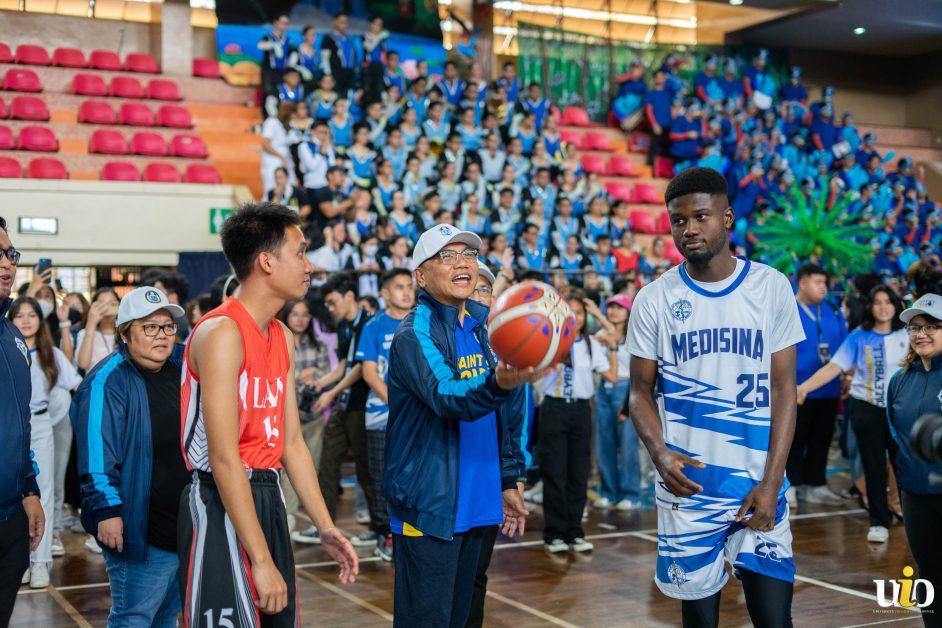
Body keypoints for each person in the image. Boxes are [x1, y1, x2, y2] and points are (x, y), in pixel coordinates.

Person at [628, 167, 804, 628]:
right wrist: (662, 457)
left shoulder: (770, 287)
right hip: (690, 490)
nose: (688, 229)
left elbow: (786, 390)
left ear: (726, 218)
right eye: (678, 220)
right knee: (700, 621)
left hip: (757, 486)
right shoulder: (654, 299)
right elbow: (639, 393)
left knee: (774, 620)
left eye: (700, 216)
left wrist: (773, 480)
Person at [179, 203, 358, 625]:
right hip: (219, 498)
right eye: (299, 251)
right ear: (265, 261)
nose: (308, 264)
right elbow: (223, 459)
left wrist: (325, 525)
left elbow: (291, 443)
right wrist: (259, 559)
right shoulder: (220, 333)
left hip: (267, 493)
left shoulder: (282, 335)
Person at [383, 224, 534, 626]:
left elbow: (508, 414)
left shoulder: (489, 327)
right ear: (420, 274)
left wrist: (509, 479)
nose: (463, 263)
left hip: (481, 499)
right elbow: (448, 395)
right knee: (427, 620)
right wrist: (499, 381)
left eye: (469, 254)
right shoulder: (414, 334)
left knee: (466, 619)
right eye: (447, 256)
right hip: (430, 504)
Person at [71, 287, 186, 626]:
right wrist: (107, 510)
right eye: (149, 327)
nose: (162, 336)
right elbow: (95, 455)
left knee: (167, 616)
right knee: (134, 617)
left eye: (167, 327)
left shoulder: (180, 368)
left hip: (179, 526)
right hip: (138, 527)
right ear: (124, 333)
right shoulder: (106, 381)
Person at [797, 285, 909, 543]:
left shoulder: (908, 335)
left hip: (899, 410)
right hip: (866, 407)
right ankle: (878, 521)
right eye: (877, 302)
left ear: (896, 306)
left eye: (888, 302)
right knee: (872, 466)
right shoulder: (858, 336)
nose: (883, 307)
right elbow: (835, 367)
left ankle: (907, 514)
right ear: (869, 306)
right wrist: (803, 388)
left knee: (903, 466)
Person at [292, 271, 373, 545]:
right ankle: (323, 525)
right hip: (342, 403)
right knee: (327, 462)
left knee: (365, 468)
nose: (330, 307)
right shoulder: (343, 326)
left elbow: (362, 368)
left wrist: (331, 393)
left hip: (361, 405)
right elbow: (341, 366)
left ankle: (380, 528)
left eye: (333, 301)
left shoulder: (368, 324)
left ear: (350, 296)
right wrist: (321, 384)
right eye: (326, 303)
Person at [8, 298, 81, 588]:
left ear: (40, 320)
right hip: (10, 426)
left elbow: (78, 384)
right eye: (19, 315)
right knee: (13, 495)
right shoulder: (6, 350)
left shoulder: (51, 354)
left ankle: (40, 562)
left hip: (40, 424)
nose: (26, 321)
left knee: (44, 490)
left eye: (32, 315)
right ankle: (21, 560)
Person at [540, 289, 612, 553]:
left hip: (581, 411)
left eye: (579, 312)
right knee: (555, 472)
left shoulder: (592, 343)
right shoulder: (548, 339)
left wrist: (600, 319)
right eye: (569, 311)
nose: (575, 316)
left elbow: (612, 376)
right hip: (554, 409)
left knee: (578, 472)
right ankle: (554, 533)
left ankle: (575, 531)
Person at [0, 216, 45, 625]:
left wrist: (30, 490)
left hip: (11, 516)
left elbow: (21, 424)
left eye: (10, 254)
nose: (7, 264)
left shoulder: (14, 340)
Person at [887, 294, 942, 626]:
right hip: (916, 496)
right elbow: (895, 440)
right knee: (929, 575)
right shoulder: (899, 381)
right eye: (915, 327)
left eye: (932, 326)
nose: (921, 334)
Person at [355, 269, 415, 561]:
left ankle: (408, 531)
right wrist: (397, 402)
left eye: (409, 286)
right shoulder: (374, 326)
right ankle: (384, 533)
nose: (406, 292)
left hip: (415, 419)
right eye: (399, 287)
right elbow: (368, 372)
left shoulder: (420, 322)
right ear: (385, 293)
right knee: (382, 477)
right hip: (381, 416)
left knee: (412, 476)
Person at [787, 264, 848, 507]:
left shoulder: (832, 309)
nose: (824, 287)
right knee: (793, 439)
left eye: (825, 282)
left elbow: (845, 347)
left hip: (829, 388)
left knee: (822, 438)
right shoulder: (787, 309)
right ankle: (790, 484)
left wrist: (846, 377)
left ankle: (816, 484)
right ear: (802, 283)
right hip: (797, 389)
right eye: (818, 282)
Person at [277, 299, 332, 536]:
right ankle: (287, 517)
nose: (300, 319)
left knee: (312, 467)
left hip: (314, 416)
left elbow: (326, 372)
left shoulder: (318, 344)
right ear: (287, 316)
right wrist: (301, 376)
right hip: (288, 418)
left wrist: (313, 377)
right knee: (286, 470)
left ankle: (309, 519)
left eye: (305, 315)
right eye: (296, 314)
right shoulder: (279, 340)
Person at [591, 295, 642, 511]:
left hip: (626, 389)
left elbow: (639, 372)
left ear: (629, 312)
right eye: (610, 307)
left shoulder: (636, 335)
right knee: (604, 444)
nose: (614, 311)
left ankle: (631, 493)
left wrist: (628, 405)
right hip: (603, 390)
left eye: (619, 308)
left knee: (628, 446)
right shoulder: (601, 335)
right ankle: (608, 492)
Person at [257, 13, 292, 104]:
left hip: (282, 72)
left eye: (286, 23)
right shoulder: (268, 37)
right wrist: (273, 45)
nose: (284, 25)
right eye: (282, 22)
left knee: (280, 93)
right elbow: (260, 45)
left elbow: (291, 54)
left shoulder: (288, 39)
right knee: (268, 93)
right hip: (269, 71)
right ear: (276, 23)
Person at [321, 12, 356, 95]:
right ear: (335, 22)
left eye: (346, 22)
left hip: (349, 73)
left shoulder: (349, 38)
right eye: (341, 22)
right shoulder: (329, 38)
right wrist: (328, 73)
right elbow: (324, 58)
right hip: (336, 73)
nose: (344, 25)